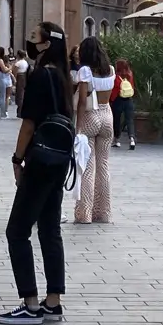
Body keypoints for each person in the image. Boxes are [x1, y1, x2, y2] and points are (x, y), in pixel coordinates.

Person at [0, 22, 73, 325]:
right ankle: (53, 301)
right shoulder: (64, 75)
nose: (30, 41)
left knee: (17, 231)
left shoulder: (41, 75)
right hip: (59, 159)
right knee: (49, 229)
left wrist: (17, 159)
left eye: (34, 37)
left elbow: (28, 124)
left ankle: (30, 304)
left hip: (40, 160)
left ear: (47, 44)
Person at [72, 35, 116, 224]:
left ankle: (84, 214)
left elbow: (83, 101)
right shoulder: (111, 70)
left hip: (90, 116)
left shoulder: (85, 71)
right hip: (107, 115)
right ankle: (104, 212)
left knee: (87, 168)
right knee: (103, 166)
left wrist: (78, 127)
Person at [111, 55, 137, 148]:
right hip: (129, 99)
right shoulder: (130, 74)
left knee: (117, 120)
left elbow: (114, 90)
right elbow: (132, 86)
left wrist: (111, 100)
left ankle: (117, 140)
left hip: (118, 100)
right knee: (129, 120)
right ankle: (132, 139)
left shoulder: (116, 76)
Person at [11, 44, 31, 116]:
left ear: (18, 55)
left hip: (19, 78)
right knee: (22, 93)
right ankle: (20, 110)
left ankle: (19, 110)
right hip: (24, 78)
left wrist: (14, 81)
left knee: (19, 94)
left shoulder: (18, 63)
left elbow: (15, 72)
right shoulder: (25, 62)